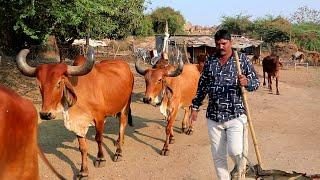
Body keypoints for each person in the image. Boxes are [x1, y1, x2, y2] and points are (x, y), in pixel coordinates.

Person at [189, 29, 260, 180]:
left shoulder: (241, 60)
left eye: (224, 43)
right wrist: (195, 107)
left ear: (230, 43)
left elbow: (256, 83)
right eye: (218, 44)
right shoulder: (210, 61)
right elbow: (202, 86)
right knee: (218, 156)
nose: (221, 47)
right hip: (213, 116)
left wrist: (247, 82)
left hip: (235, 114)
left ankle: (242, 166)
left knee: (235, 151)